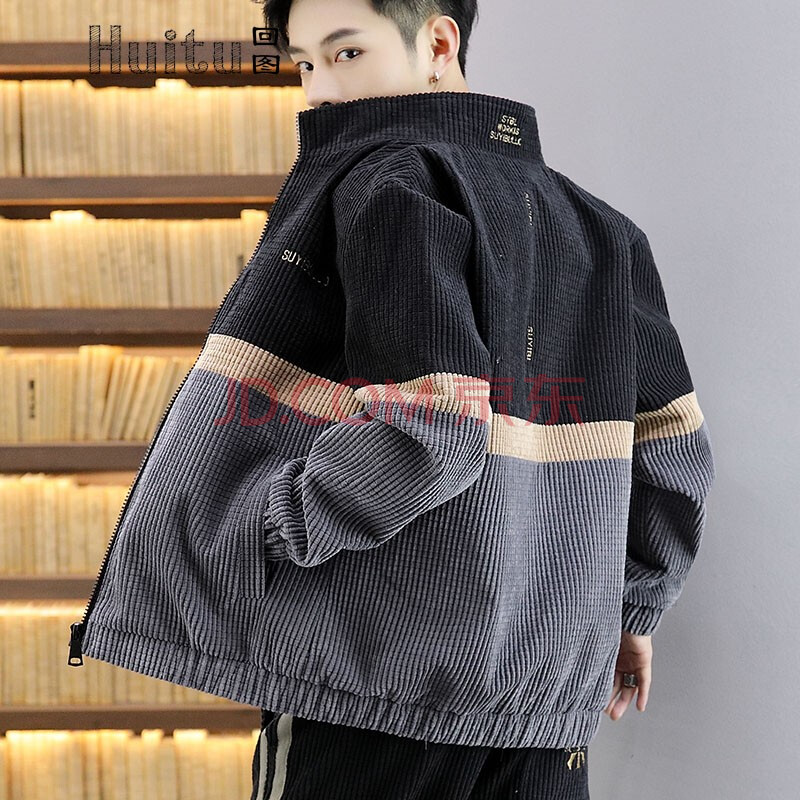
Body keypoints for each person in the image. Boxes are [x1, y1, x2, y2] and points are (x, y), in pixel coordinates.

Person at [69, 0, 715, 797]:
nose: (319, 92)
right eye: (304, 64)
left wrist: (270, 526)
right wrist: (630, 612)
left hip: (377, 682)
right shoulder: (603, 231)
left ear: (438, 42)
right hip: (542, 698)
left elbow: (432, 424)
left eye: (346, 54)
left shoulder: (390, 181)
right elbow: (675, 451)